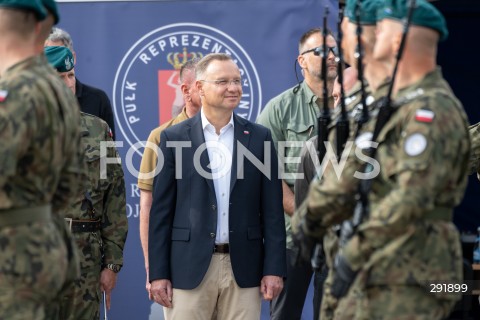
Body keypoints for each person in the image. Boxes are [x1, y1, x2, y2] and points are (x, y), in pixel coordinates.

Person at [295, 0, 470, 319]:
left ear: (393, 40)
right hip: (375, 269)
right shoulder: (389, 107)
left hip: (411, 274)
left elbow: (410, 198)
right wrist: (310, 222)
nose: (369, 40)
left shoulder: (431, 110)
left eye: (380, 31)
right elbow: (349, 175)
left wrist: (354, 252)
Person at [149, 53, 286, 319]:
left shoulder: (259, 138)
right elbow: (161, 214)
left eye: (237, 81)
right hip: (188, 270)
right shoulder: (173, 137)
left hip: (244, 270)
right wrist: (158, 274)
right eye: (223, 81)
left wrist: (273, 268)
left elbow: (272, 211)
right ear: (199, 87)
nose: (233, 88)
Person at [0, 0, 85, 318]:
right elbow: (71, 184)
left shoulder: (14, 90)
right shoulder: (58, 91)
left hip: (13, 256)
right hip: (43, 244)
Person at [256, 27, 336, 320]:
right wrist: (306, 216)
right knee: (284, 315)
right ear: (301, 61)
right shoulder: (279, 109)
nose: (330, 57)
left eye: (334, 51)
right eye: (320, 51)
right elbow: (267, 177)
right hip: (292, 238)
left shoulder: (354, 108)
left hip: (341, 239)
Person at [45, 45, 128, 320]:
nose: (69, 84)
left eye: (70, 75)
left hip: (86, 256)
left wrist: (112, 264)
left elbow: (114, 197)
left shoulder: (98, 130)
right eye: (60, 77)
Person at [138, 58, 201, 299]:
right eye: (202, 83)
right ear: (186, 90)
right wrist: (153, 268)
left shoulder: (237, 134)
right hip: (180, 263)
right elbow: (148, 206)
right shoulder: (161, 137)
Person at [45, 27, 117, 139]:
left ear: (72, 58)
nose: (69, 84)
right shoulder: (29, 112)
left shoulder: (98, 102)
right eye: (51, 54)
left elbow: (110, 154)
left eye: (70, 75)